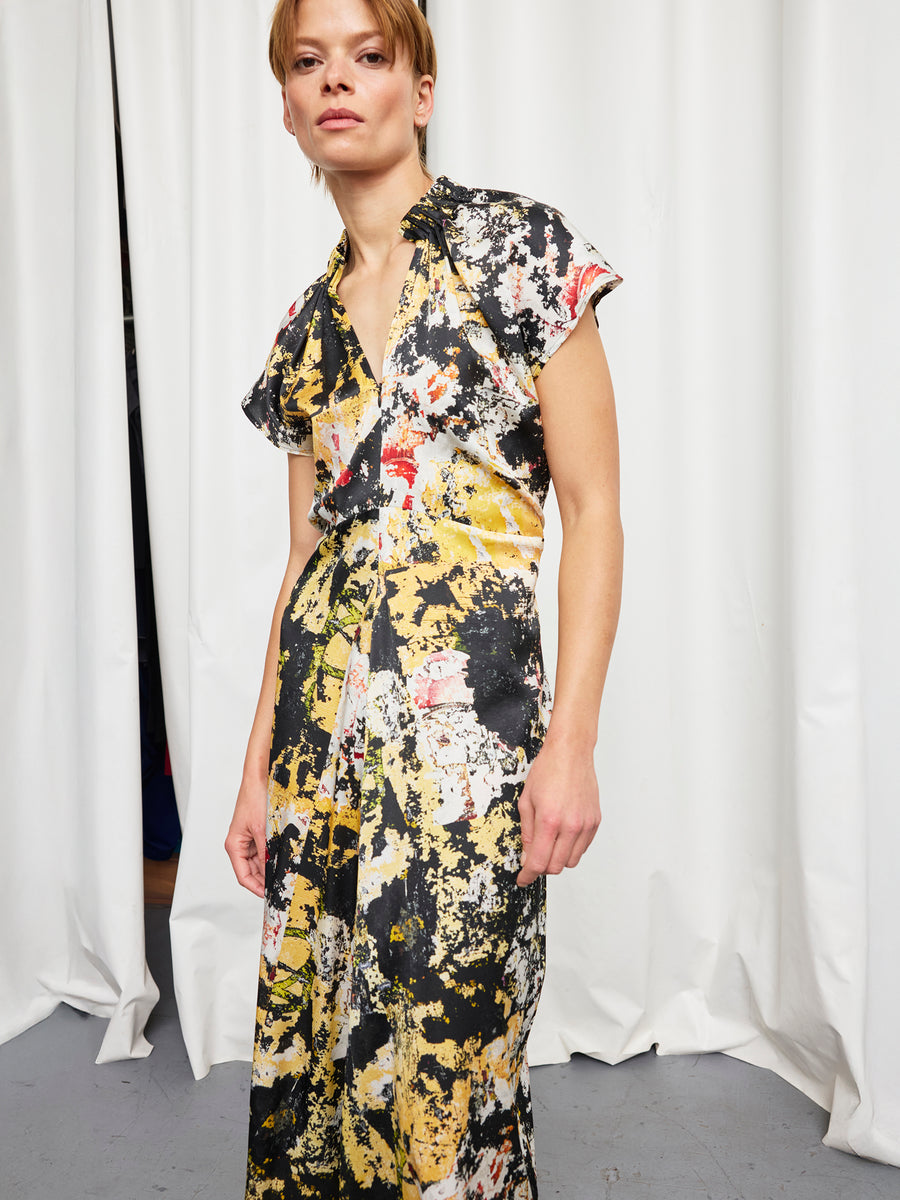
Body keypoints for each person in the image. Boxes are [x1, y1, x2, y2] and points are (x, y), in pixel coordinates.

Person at [225, 0, 623, 1195]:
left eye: (369, 55)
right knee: (319, 1084)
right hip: (321, 759)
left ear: (423, 86)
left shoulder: (520, 252)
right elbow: (306, 565)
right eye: (309, 63)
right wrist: (256, 770)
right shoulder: (305, 333)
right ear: (289, 107)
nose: (337, 81)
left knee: (456, 1075)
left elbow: (596, 514)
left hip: (469, 763)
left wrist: (572, 747)